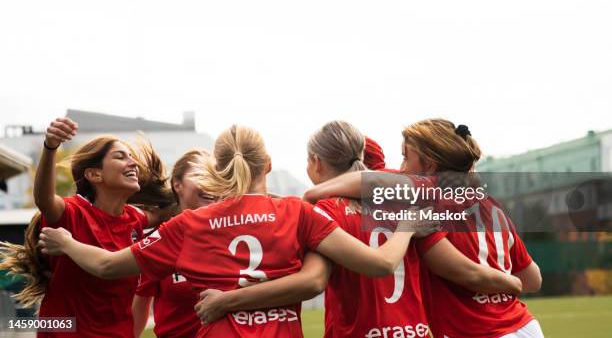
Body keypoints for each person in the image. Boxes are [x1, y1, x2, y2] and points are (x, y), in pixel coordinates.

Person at [37, 124, 433, 337]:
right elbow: (379, 265)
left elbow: (106, 266)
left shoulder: (188, 224)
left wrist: (68, 243)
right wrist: (406, 227)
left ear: (218, 169)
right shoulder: (297, 212)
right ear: (269, 164)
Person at [193, 121, 522, 338]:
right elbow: (456, 263)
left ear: (317, 164)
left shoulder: (324, 211)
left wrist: (228, 300)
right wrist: (506, 280)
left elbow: (312, 281)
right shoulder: (407, 204)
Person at [303, 118, 544, 338]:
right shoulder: (491, 205)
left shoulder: (429, 195)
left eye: (406, 157)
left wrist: (313, 194)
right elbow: (533, 279)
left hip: (474, 331)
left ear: (429, 165)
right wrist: (507, 283)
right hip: (525, 326)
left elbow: (372, 180)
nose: (402, 168)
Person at [0, 117, 174, 338]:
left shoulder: (135, 218)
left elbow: (173, 210)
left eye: (131, 157)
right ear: (94, 175)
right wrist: (50, 145)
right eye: (120, 157)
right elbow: (43, 198)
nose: (133, 163)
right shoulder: (73, 212)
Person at [132, 149, 218, 338]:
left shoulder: (233, 233)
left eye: (214, 175)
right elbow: (140, 306)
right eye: (199, 174)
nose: (209, 182)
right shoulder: (159, 240)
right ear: (177, 185)